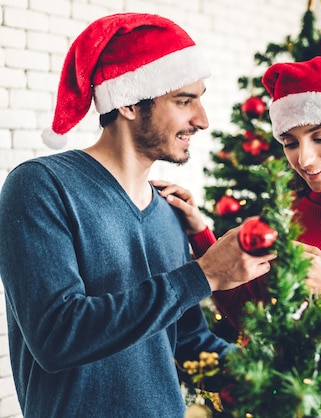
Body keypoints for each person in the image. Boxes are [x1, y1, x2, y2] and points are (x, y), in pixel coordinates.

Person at [0, 13, 274, 418]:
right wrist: (202, 276)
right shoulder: (41, 187)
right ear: (128, 101)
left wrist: (280, 376)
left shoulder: (168, 213)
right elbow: (58, 336)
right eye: (184, 101)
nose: (202, 120)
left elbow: (188, 342)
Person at [158, 50, 321, 415]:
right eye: (291, 142)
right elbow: (248, 317)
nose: (306, 159)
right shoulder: (284, 215)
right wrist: (200, 232)